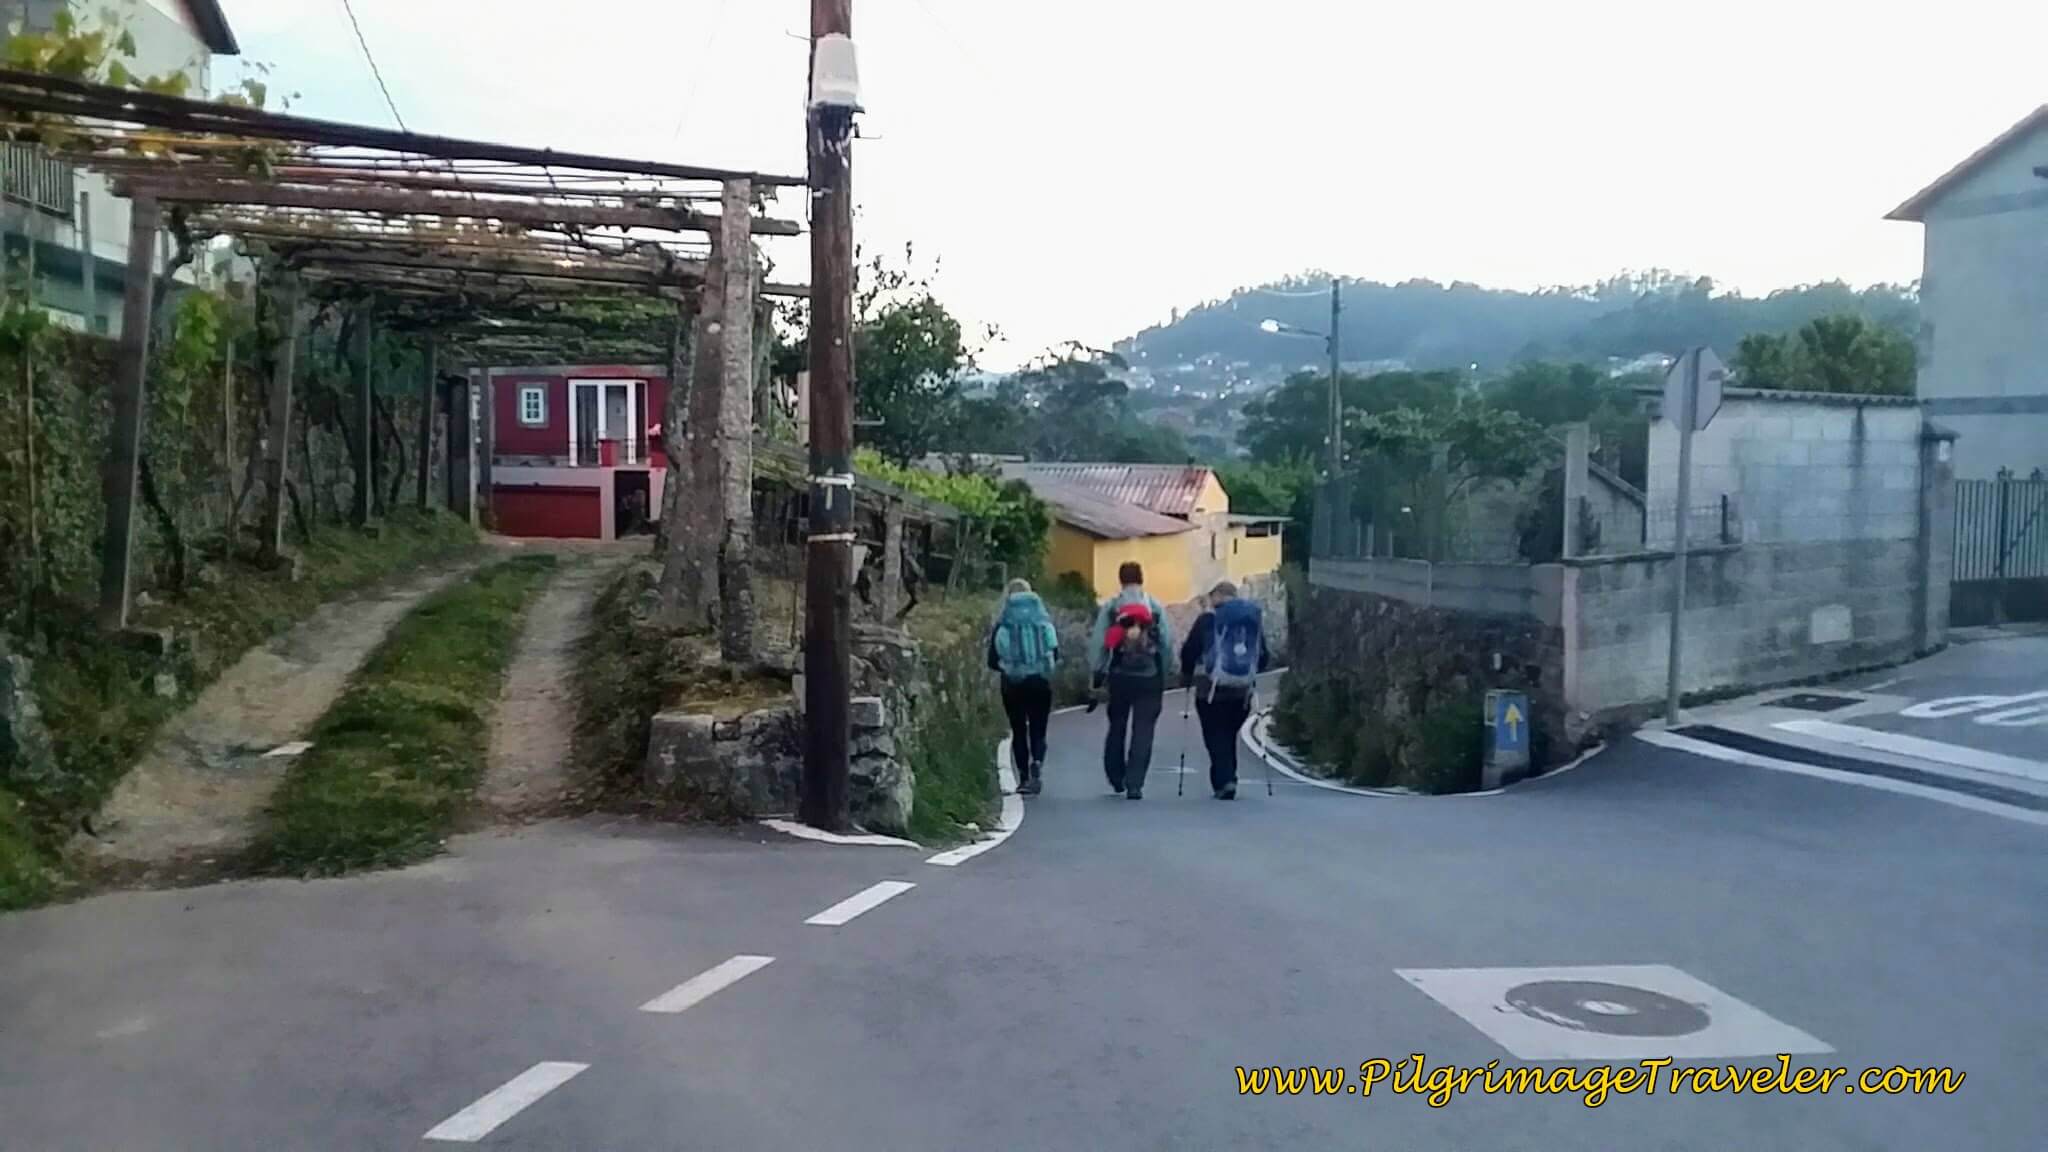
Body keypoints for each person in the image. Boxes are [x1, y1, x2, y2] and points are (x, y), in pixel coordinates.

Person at [1090, 561, 1174, 799]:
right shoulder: (1154, 607)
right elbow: (1166, 642)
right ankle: (1135, 783)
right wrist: (1165, 670)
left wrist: (1098, 673)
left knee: (1117, 726)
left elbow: (1098, 643)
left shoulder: (1112, 608)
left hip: (1119, 676)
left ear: (1121, 580)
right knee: (1143, 729)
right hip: (1149, 677)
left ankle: (1116, 777)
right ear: (1141, 579)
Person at [1179, 581, 1269, 799]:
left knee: (1215, 736)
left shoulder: (1207, 620)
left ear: (1218, 596)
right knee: (1228, 735)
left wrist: (1186, 675)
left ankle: (1225, 780)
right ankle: (1228, 778)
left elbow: (1189, 650)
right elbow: (1263, 656)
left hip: (1210, 691)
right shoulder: (1249, 621)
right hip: (1242, 692)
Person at [986, 578, 1058, 796]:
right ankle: (1037, 763)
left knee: (1018, 730)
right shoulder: (1043, 622)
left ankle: (1024, 777)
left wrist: (1009, 667)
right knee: (1038, 728)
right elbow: (1055, 652)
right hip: (1040, 682)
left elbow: (992, 660)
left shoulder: (1003, 624)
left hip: (1013, 684)